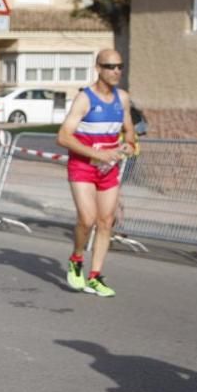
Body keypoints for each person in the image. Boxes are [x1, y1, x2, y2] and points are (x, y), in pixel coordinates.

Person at [56, 49, 136, 297]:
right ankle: (77, 258)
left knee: (105, 222)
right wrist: (97, 153)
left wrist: (127, 146)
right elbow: (63, 136)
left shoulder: (122, 98)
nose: (116, 71)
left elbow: (130, 132)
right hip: (82, 167)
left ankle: (94, 276)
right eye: (110, 66)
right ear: (98, 68)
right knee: (87, 219)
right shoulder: (85, 98)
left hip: (108, 170)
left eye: (119, 66)